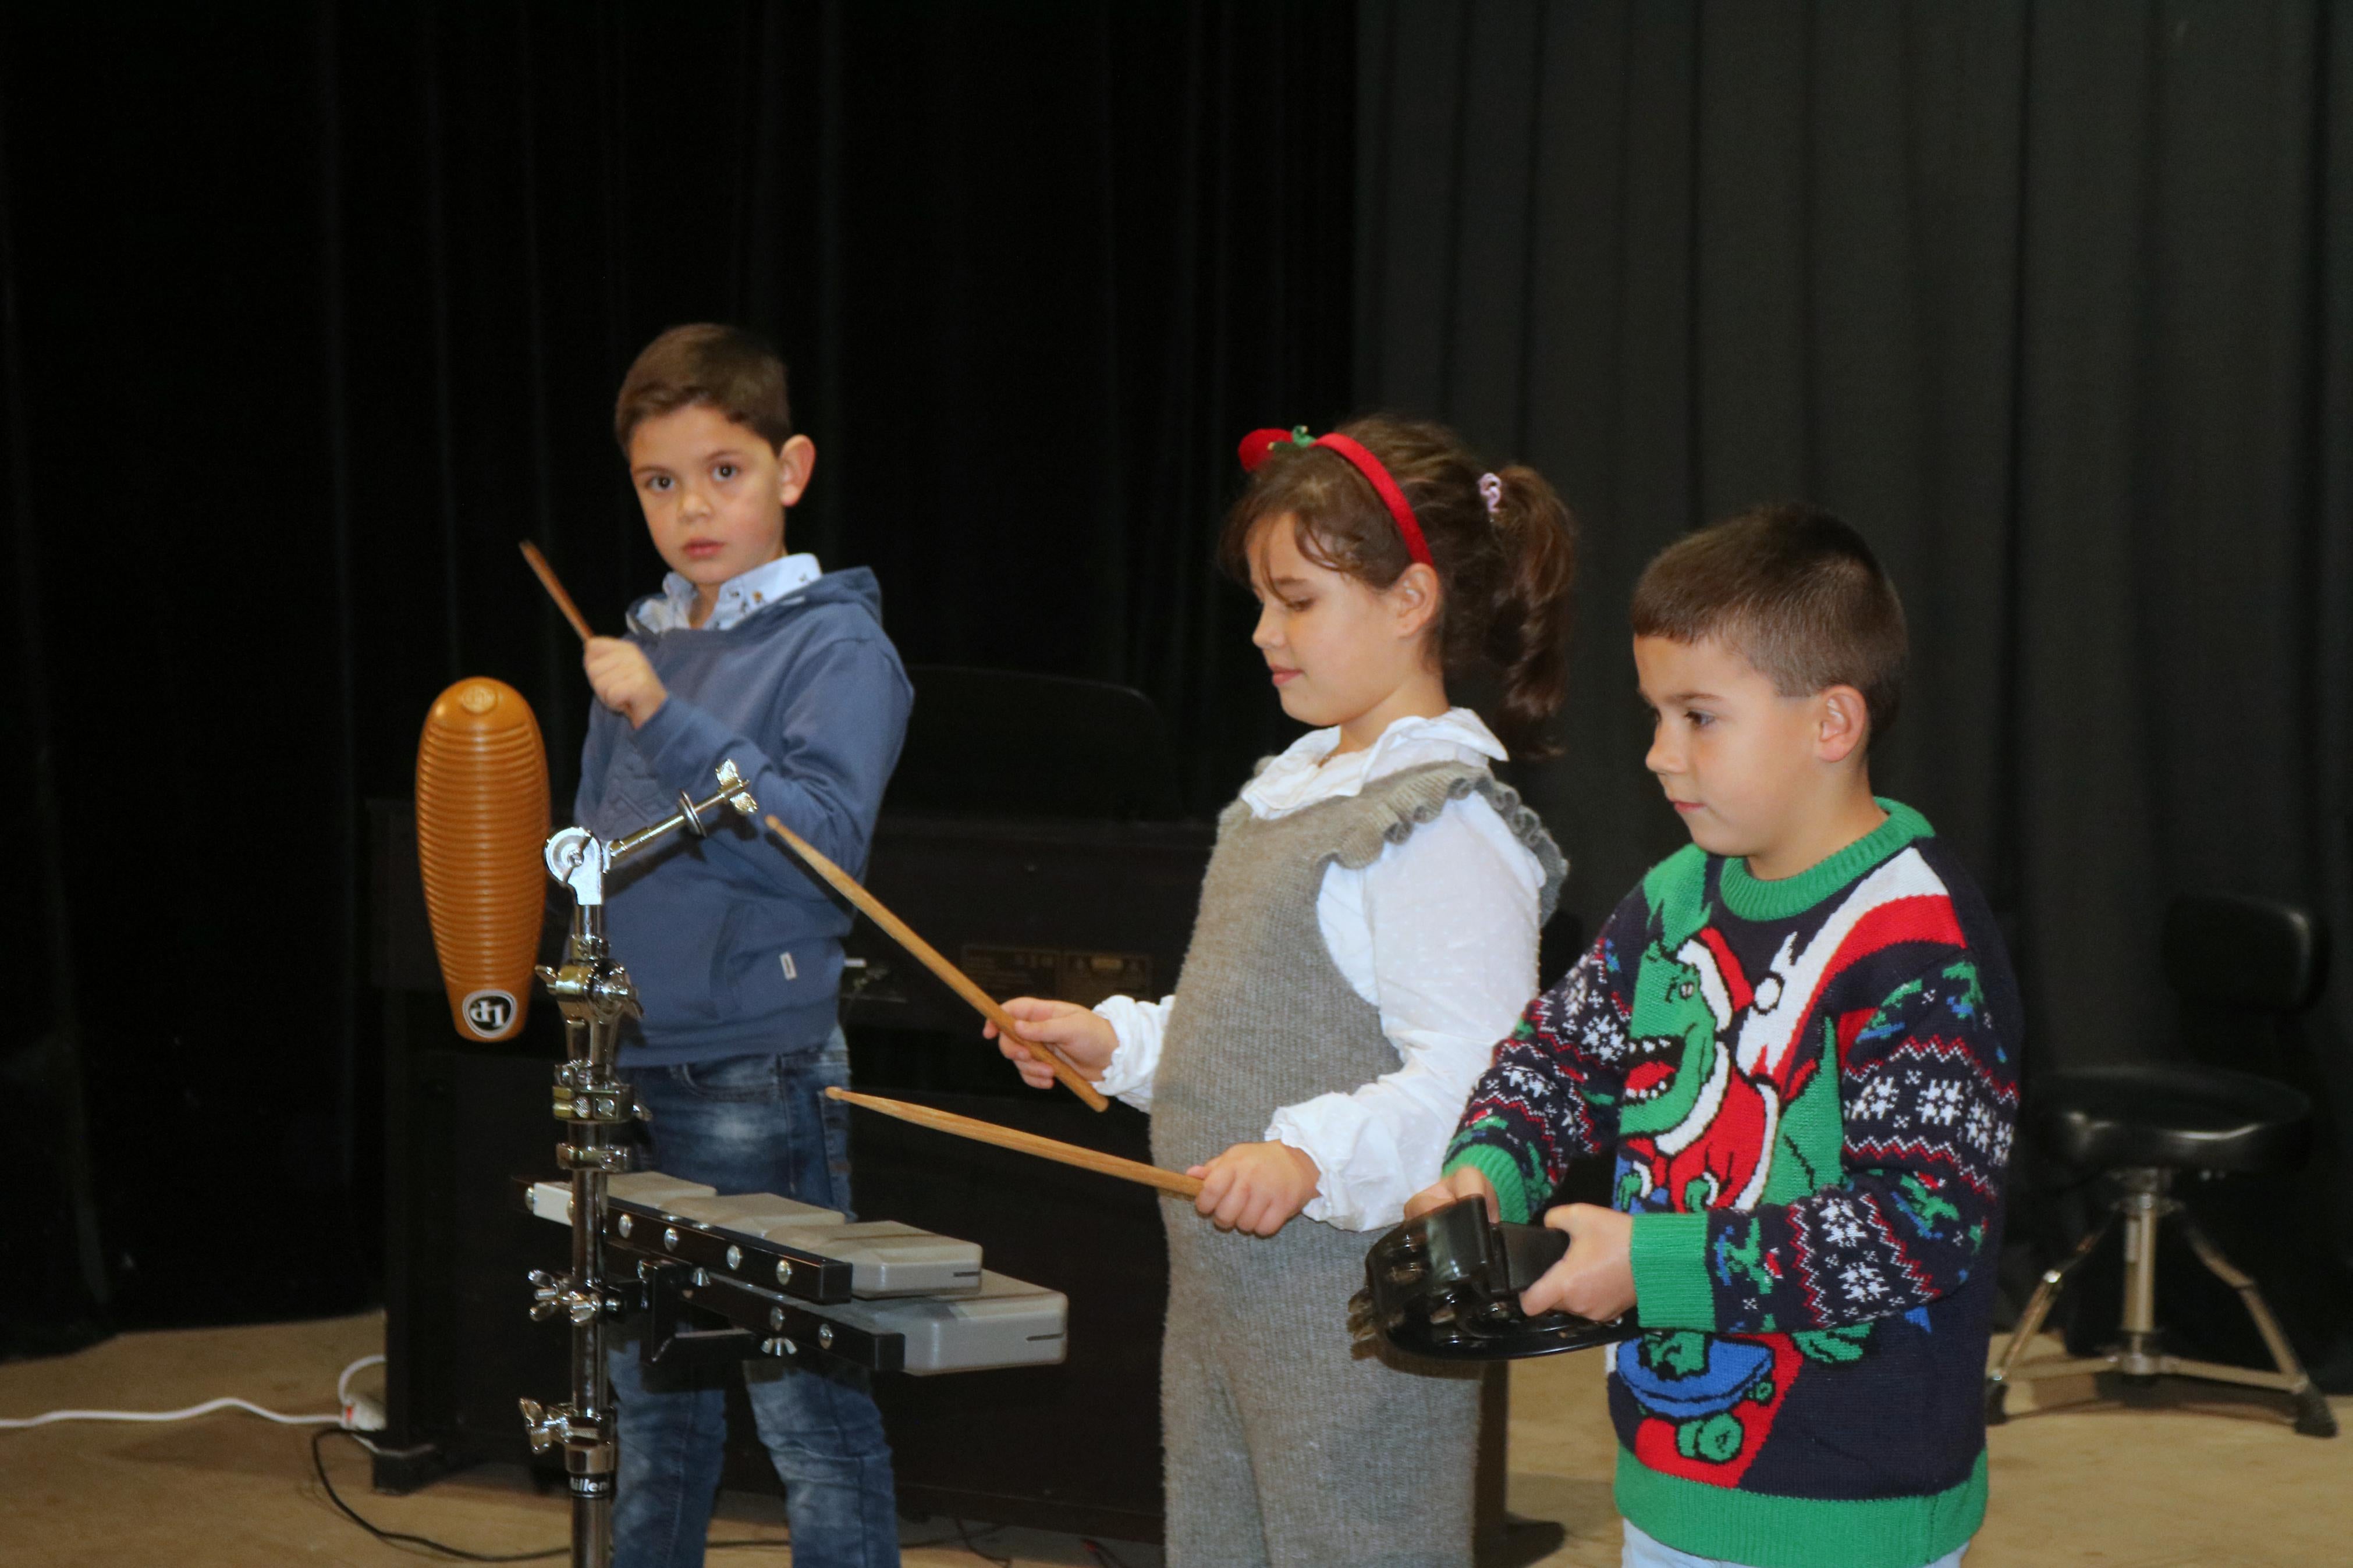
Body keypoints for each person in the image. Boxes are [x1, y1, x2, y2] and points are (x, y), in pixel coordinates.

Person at [988, 417, 1579, 1567]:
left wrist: (1308, 1155)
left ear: (1413, 599)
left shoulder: (1438, 817)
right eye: (1262, 600)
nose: (1264, 633)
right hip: (1226, 1298)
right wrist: (1119, 1046)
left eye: (1296, 599)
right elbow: (1262, 1025)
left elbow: (1480, 1089)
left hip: (1353, 1320)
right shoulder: (1296, 782)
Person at [1411, 504, 2020, 1568]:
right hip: (1669, 1483)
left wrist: (1650, 1262)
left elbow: (1913, 1228)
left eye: (1699, 716)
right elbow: (1556, 1059)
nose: (1657, 754)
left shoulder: (1916, 945)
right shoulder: (1673, 898)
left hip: (1852, 1515)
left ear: (1832, 724)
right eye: (1655, 714)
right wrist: (1485, 1175)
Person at [576, 323, 910, 1568]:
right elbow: (597, 849)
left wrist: (662, 716)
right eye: (660, 483)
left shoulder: (835, 644)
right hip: (634, 1059)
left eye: (724, 471)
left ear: (793, 469)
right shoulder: (648, 637)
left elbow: (814, 847)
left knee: (806, 1406)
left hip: (753, 1069)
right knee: (654, 1405)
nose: (691, 507)